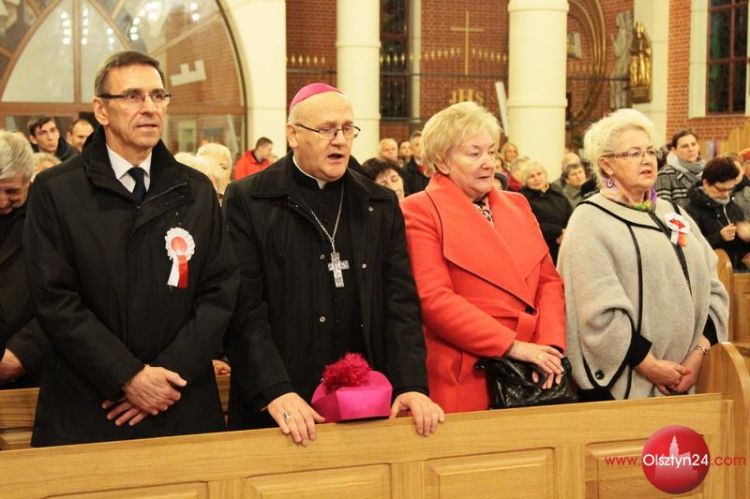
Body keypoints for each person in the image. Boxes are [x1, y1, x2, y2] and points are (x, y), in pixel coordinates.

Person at [24, 50, 239, 446]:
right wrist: (126, 376)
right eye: (133, 96)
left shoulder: (195, 190)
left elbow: (219, 292)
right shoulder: (56, 191)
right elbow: (55, 299)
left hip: (180, 399)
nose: (149, 108)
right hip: (91, 403)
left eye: (158, 96)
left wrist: (165, 377)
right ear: (101, 110)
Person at [223, 82, 444, 445]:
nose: (340, 140)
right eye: (326, 129)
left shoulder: (378, 203)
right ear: (293, 134)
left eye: (347, 129)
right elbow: (244, 309)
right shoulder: (249, 200)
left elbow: (400, 304)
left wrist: (410, 384)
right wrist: (274, 389)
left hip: (368, 401)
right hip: (281, 403)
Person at [401, 101, 566, 413]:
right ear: (442, 161)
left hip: (536, 368)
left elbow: (548, 282)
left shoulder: (517, 204)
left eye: (491, 152)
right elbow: (434, 299)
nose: (489, 163)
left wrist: (549, 346)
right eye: (474, 154)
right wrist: (512, 346)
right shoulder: (418, 210)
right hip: (469, 369)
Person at [558, 109, 728, 401]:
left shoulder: (673, 213)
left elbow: (712, 287)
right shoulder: (590, 221)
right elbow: (595, 310)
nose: (647, 160)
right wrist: (650, 366)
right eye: (634, 153)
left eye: (650, 151)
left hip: (690, 376)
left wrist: (699, 354)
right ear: (606, 165)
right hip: (626, 386)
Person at [0, 131, 49, 389]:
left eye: (11, 191)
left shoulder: (49, 217)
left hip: (28, 369)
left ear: (29, 180)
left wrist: (23, 352)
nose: (1, 201)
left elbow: (72, 293)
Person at [686, 156, 750, 269]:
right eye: (721, 189)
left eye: (730, 189)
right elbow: (689, 248)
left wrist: (747, 237)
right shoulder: (691, 211)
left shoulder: (734, 208)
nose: (726, 194)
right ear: (706, 183)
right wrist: (719, 237)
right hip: (708, 272)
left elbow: (741, 251)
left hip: (735, 273)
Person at [518, 158, 573, 264]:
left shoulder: (557, 192)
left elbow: (570, 215)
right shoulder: (523, 198)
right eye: (531, 176)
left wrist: (566, 233)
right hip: (541, 248)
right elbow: (528, 225)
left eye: (539, 174)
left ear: (545, 174)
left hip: (565, 244)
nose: (537, 179)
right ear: (525, 180)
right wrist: (558, 232)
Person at [655, 129, 704, 208]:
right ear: (674, 150)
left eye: (693, 144)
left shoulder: (708, 171)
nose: (691, 149)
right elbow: (662, 208)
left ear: (698, 146)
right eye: (685, 146)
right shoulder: (666, 173)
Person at [402, 131, 429, 196]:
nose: (421, 147)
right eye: (417, 145)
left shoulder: (435, 167)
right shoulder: (405, 170)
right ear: (411, 149)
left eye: (423, 144)